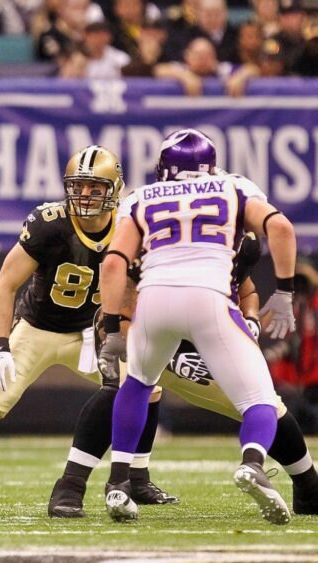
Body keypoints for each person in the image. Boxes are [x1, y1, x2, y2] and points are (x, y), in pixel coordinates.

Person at [0, 146, 173, 510]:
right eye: (78, 187)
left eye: (95, 188)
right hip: (38, 327)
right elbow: (5, 283)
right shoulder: (50, 223)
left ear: (114, 190)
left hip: (92, 331)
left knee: (146, 387)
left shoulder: (129, 225)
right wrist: (0, 344)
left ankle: (138, 478)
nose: (84, 196)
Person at [99, 128, 297, 524]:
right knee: (259, 398)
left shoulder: (141, 197)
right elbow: (282, 228)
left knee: (138, 382)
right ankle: (253, 462)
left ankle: (119, 482)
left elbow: (113, 263)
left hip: (154, 299)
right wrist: (286, 292)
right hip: (210, 296)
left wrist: (111, 329)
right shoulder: (234, 187)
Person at [49, 231, 318, 518]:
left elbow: (246, 288)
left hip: (204, 337)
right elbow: (121, 286)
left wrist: (251, 318)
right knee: (124, 385)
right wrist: (120, 332)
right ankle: (73, 485)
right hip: (144, 326)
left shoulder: (232, 235)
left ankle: (308, 485)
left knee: (269, 406)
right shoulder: (153, 228)